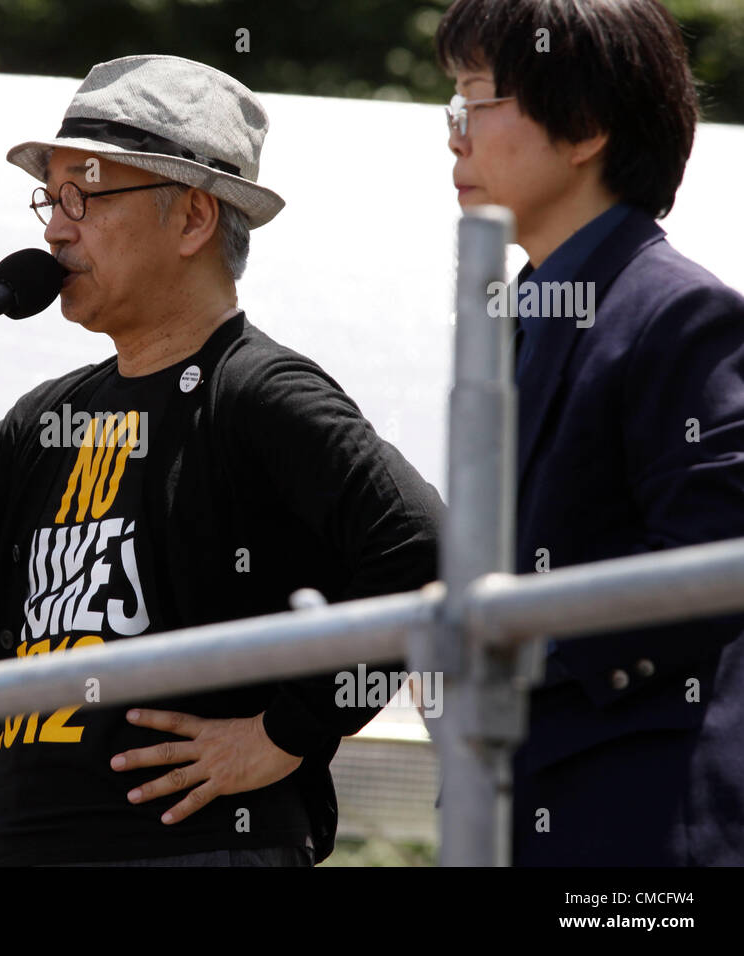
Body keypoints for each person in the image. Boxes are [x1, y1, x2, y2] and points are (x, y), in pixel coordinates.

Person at [0, 54, 444, 866]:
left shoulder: (259, 392)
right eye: (51, 198)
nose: (53, 228)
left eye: (85, 195)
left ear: (192, 219)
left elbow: (428, 549)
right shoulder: (46, 418)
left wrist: (284, 733)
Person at [436, 0, 744, 865]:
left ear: (585, 128)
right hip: (525, 806)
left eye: (476, 97)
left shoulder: (678, 310)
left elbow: (714, 560)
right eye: (449, 103)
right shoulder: (516, 315)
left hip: (643, 824)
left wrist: (509, 647)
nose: (453, 134)